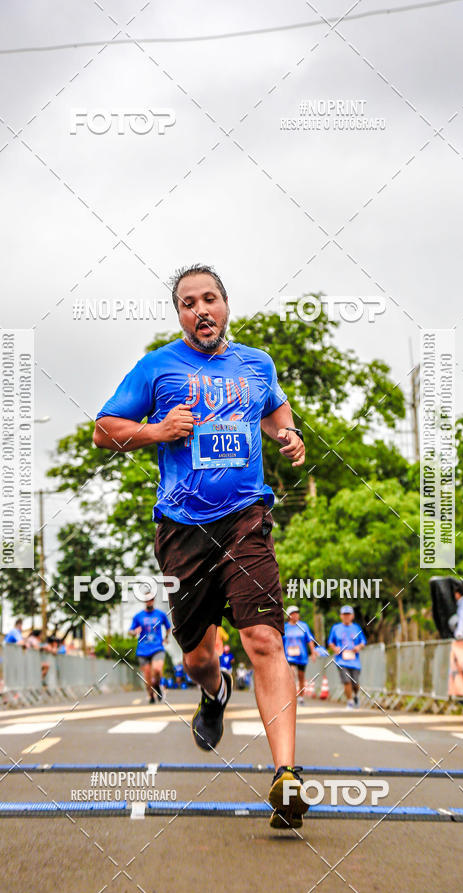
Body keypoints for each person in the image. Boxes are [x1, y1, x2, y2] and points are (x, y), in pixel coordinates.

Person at [94, 264, 308, 829]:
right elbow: (104, 429)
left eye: (209, 299)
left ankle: (286, 777)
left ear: (226, 305)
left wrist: (287, 434)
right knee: (197, 658)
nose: (200, 310)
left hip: (246, 518)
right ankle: (215, 694)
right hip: (182, 529)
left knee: (264, 637)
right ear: (180, 315)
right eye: (188, 303)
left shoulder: (257, 363)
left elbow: (274, 409)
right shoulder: (156, 367)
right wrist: (156, 431)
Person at [129, 593, 172, 703]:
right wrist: (134, 632)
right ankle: (151, 696)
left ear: (154, 600)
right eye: (147, 600)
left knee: (157, 670)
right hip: (143, 650)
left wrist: (166, 638)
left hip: (157, 648)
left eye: (151, 599)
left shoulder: (160, 614)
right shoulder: (138, 616)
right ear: (145, 601)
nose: (149, 601)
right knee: (148, 678)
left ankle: (157, 687)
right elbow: (130, 631)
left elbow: (168, 627)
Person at [327, 605, 367, 709]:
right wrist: (335, 648)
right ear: (341, 616)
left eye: (348, 614)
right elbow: (330, 642)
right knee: (346, 681)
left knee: (355, 683)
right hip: (341, 661)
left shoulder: (356, 628)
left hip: (354, 661)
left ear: (352, 616)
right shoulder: (336, 628)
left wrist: (359, 647)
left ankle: (356, 696)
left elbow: (363, 641)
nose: (346, 617)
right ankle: (349, 701)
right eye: (344, 614)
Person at [282, 606, 317, 704]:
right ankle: (291, 696)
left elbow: (310, 640)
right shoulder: (285, 627)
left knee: (301, 677)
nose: (295, 615)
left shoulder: (304, 626)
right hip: (289, 656)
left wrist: (313, 653)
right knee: (291, 674)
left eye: (297, 613)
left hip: (302, 656)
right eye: (293, 613)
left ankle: (301, 697)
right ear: (288, 615)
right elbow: (280, 641)